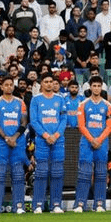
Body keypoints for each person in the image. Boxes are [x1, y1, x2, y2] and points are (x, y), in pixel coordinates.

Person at [0, 76, 28, 214]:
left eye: (11, 84)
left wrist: (14, 137)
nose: (9, 87)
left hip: (18, 142)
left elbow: (24, 122)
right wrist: (6, 138)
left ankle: (19, 206)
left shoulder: (20, 102)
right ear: (1, 86)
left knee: (18, 173)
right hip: (1, 142)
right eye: (6, 84)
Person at [73, 76, 111, 212]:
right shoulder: (83, 104)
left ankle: (100, 204)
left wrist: (99, 139)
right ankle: (80, 204)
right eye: (94, 86)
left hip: (102, 143)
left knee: (101, 173)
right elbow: (81, 125)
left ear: (101, 87)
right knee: (84, 173)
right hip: (86, 143)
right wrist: (92, 140)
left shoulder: (107, 105)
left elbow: (109, 126)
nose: (96, 88)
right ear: (90, 87)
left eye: (98, 86)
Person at [29, 72, 67, 213]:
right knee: (41, 172)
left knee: (57, 172)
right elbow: (34, 121)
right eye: (46, 81)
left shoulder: (60, 99)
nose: (49, 84)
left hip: (58, 140)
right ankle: (38, 204)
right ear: (41, 84)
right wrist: (46, 135)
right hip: (42, 140)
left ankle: (56, 204)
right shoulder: (36, 99)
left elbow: (64, 119)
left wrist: (56, 135)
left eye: (51, 81)